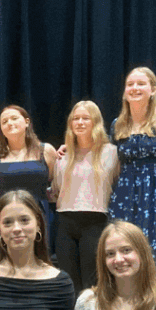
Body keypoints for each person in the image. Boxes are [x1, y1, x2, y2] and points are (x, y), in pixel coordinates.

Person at [107, 67, 156, 293]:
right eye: (130, 84)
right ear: (124, 92)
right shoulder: (117, 124)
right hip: (125, 196)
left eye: (141, 84)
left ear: (153, 90)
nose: (135, 88)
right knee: (124, 251)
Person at [53, 102, 118, 295]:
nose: (80, 122)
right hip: (65, 221)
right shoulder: (63, 155)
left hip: (95, 221)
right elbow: (56, 190)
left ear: (95, 122)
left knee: (92, 283)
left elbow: (118, 186)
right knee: (69, 282)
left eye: (85, 118)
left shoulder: (112, 153)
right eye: (76, 118)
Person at [0, 105, 57, 244]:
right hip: (5, 220)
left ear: (27, 122)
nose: (10, 123)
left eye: (14, 118)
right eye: (4, 121)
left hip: (38, 218)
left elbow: (56, 184)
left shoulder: (46, 151)